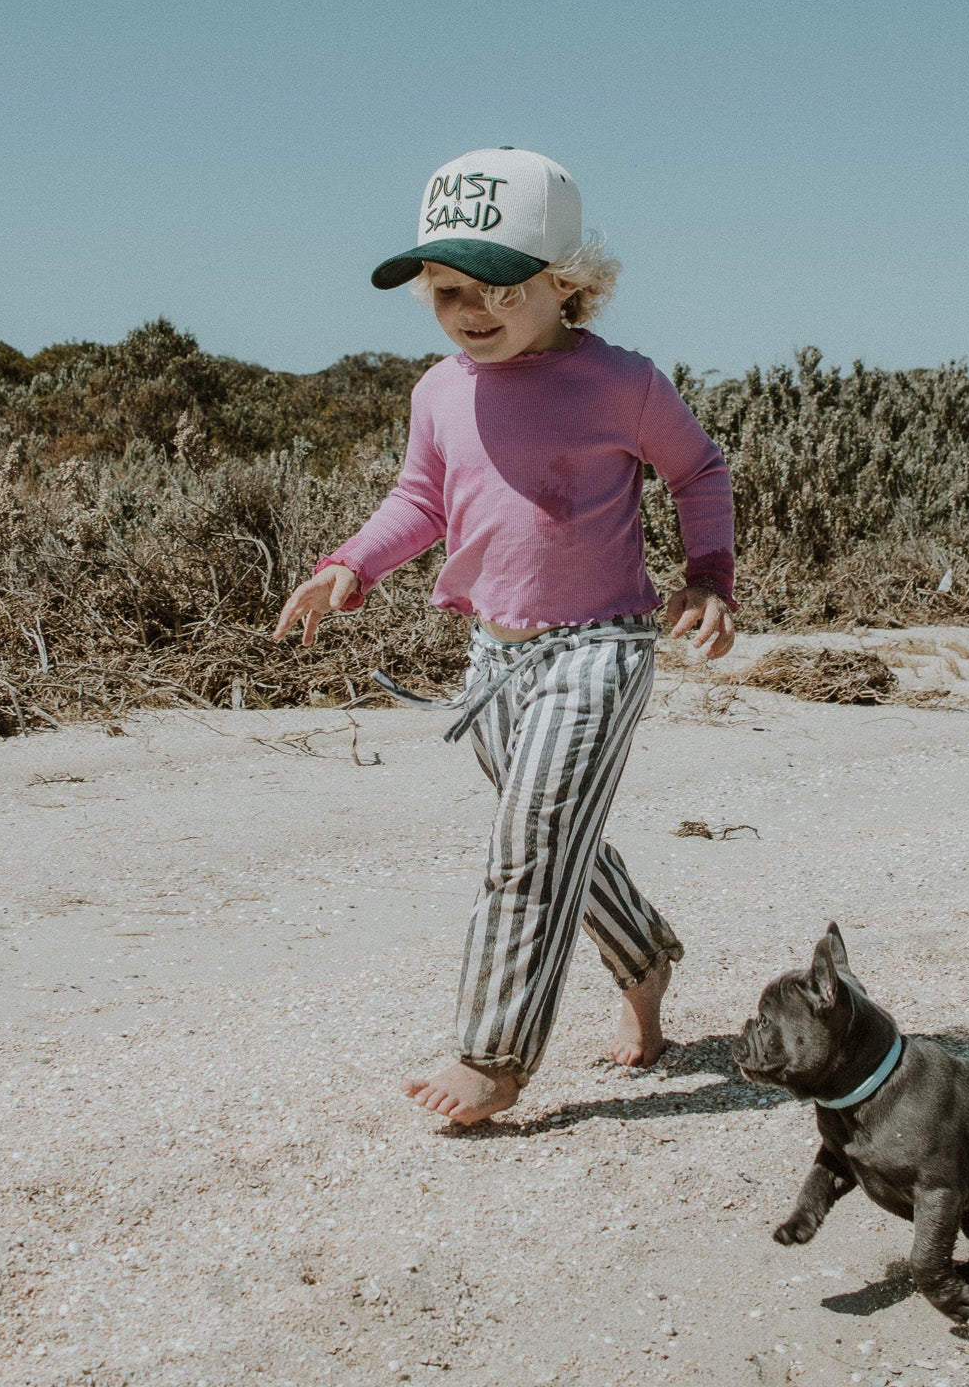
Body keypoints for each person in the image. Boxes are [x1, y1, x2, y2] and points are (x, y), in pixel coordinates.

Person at [273, 147, 736, 1125]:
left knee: (529, 837)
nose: (469, 309)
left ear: (564, 283)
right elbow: (421, 498)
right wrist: (351, 563)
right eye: (446, 289)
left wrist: (709, 578)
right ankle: (646, 955)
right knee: (557, 828)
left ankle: (495, 1052)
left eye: (496, 285)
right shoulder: (440, 392)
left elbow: (699, 472)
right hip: (493, 658)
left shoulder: (625, 383)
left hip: (601, 647)